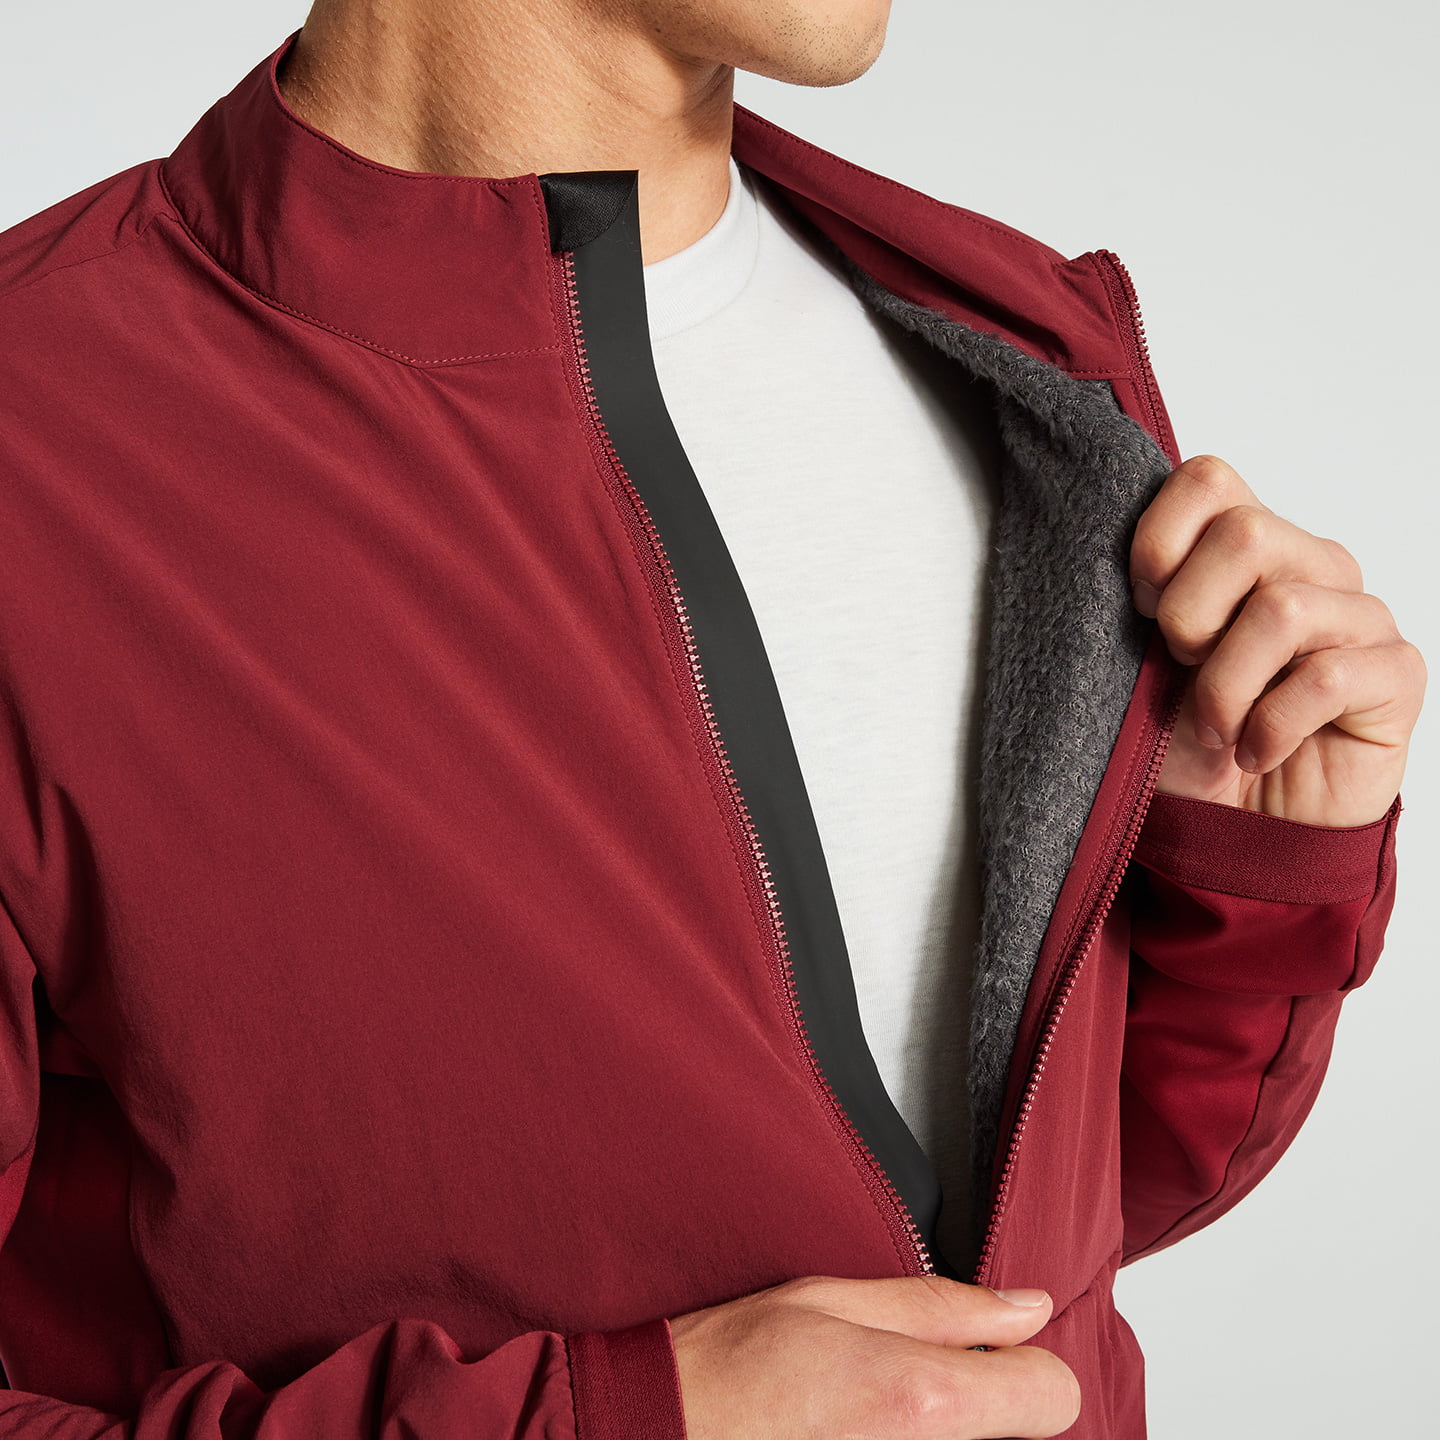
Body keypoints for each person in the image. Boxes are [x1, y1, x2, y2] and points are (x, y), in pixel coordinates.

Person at [0, 1, 1422, 1436]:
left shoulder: (1015, 360)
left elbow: (1050, 1239)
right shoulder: (48, 436)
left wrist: (1247, 882)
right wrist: (614, 1420)